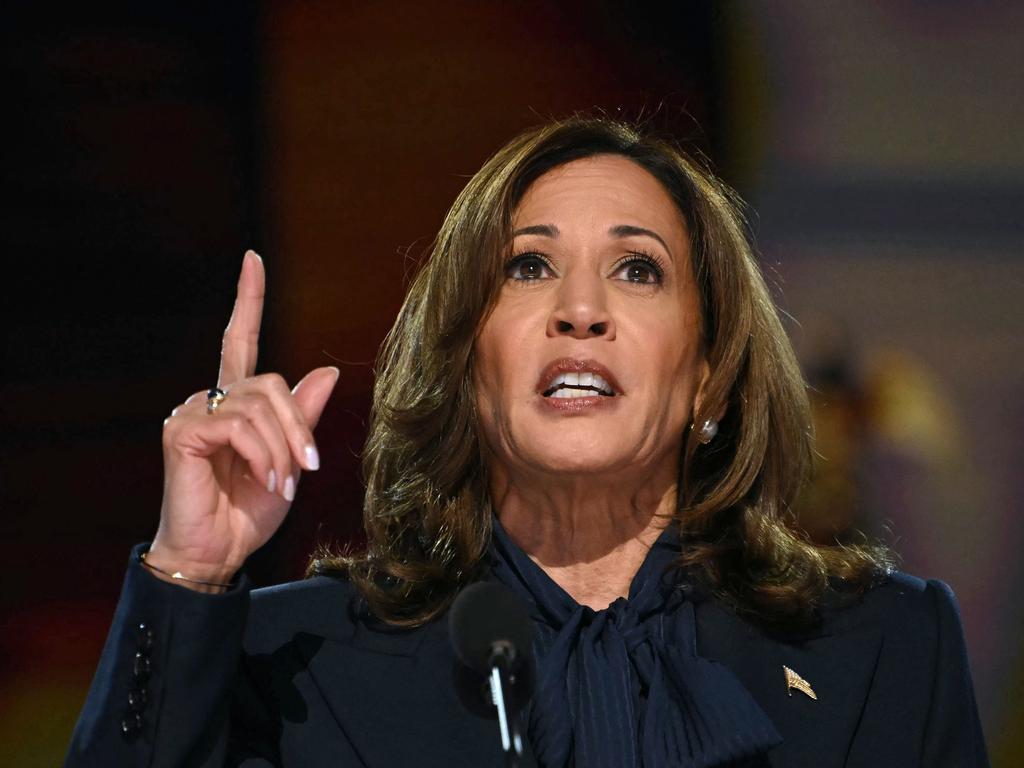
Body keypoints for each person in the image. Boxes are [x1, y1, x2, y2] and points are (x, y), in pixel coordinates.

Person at [64, 117, 989, 767]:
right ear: (469, 360)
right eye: (528, 266)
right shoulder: (294, 662)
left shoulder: (884, 649)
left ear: (709, 373)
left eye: (638, 269)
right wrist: (188, 574)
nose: (579, 312)